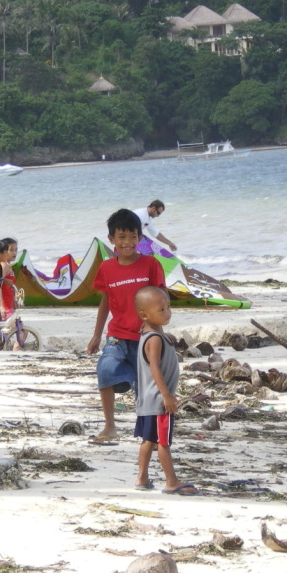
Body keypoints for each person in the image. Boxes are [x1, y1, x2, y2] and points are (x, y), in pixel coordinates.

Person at [86, 208, 166, 445]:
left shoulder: (151, 264)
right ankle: (110, 426)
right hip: (117, 335)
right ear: (111, 239)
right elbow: (105, 302)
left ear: (140, 238)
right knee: (105, 369)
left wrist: (156, 331)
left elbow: (162, 299)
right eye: (121, 237)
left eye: (133, 237)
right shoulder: (106, 269)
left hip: (146, 337)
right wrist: (96, 336)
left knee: (147, 386)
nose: (127, 242)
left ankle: (147, 432)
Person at [133, 286, 196, 495]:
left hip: (147, 400)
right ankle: (171, 481)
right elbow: (154, 368)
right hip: (160, 401)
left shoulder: (151, 335)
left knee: (148, 440)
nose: (167, 312)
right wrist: (167, 395)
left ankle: (142, 477)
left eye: (168, 307)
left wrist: (162, 332)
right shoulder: (154, 340)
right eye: (161, 310)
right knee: (163, 442)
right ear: (144, 314)